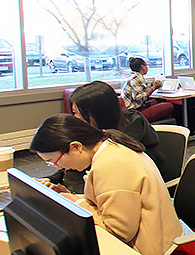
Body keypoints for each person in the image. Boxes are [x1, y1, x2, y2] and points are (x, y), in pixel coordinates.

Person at [30, 114, 182, 255]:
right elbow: (110, 201)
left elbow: (118, 231)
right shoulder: (109, 146)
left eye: (53, 162)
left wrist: (77, 203)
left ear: (76, 147)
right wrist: (71, 197)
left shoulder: (111, 164)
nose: (60, 168)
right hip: (154, 236)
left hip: (145, 248)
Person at [46, 81, 166, 193]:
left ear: (97, 114)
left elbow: (111, 181)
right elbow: (73, 164)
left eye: (77, 113)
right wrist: (50, 181)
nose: (76, 118)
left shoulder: (127, 137)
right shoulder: (93, 130)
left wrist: (73, 195)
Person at [121, 57, 174, 123]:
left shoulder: (135, 76)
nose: (147, 68)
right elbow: (138, 97)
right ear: (142, 66)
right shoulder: (136, 79)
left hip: (132, 108)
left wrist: (154, 85)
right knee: (169, 105)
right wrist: (153, 88)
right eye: (146, 65)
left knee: (155, 101)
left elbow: (146, 86)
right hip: (134, 112)